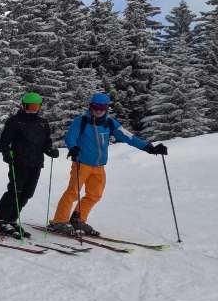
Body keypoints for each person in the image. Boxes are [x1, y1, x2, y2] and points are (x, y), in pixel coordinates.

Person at [49, 92, 167, 236]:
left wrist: (149, 147)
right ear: (90, 106)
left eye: (102, 107)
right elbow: (70, 137)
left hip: (99, 166)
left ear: (106, 108)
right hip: (82, 163)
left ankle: (77, 219)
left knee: (95, 195)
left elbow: (129, 137)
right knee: (73, 192)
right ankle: (59, 221)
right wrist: (73, 148)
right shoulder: (81, 121)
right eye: (95, 107)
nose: (98, 110)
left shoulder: (110, 123)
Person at [0, 92, 59, 236]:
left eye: (36, 106)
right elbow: (4, 141)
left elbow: (46, 142)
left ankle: (11, 220)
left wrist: (50, 150)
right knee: (14, 192)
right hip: (19, 162)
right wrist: (7, 154)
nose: (33, 109)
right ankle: (0, 221)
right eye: (30, 106)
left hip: (36, 163)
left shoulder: (43, 123)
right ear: (23, 106)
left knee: (27, 193)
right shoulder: (15, 121)